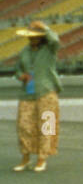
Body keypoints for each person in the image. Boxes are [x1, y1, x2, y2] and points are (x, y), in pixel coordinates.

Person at [13, 20, 61, 173]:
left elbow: (55, 40)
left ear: (41, 37)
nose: (32, 39)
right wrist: (21, 76)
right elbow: (18, 70)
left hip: (46, 91)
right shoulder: (23, 52)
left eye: (35, 36)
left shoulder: (49, 49)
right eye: (30, 36)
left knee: (47, 125)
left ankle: (42, 158)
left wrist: (44, 27)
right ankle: (25, 157)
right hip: (27, 93)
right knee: (24, 125)